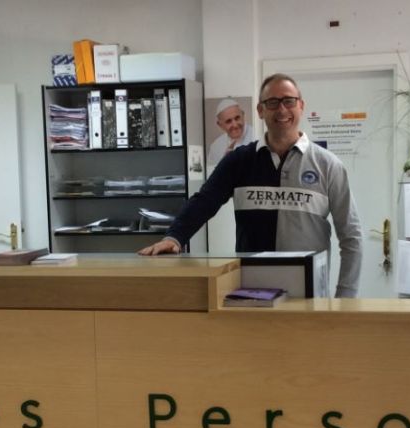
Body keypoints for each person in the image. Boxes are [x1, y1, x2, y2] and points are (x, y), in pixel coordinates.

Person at [138, 74, 363, 298]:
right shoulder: (240, 161)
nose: (282, 109)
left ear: (301, 106)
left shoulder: (328, 165)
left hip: (309, 294)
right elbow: (205, 201)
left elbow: (351, 236)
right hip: (252, 294)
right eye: (272, 102)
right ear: (260, 110)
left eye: (289, 101)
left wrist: (346, 295)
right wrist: (174, 237)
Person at [206, 98, 257, 168]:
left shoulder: (257, 135)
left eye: (237, 118)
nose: (235, 125)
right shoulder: (215, 147)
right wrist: (224, 162)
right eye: (228, 121)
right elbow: (211, 176)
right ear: (220, 125)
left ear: (243, 115)